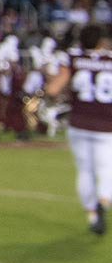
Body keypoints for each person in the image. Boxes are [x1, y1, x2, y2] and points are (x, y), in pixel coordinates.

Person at [45, 24, 112, 236]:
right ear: (101, 41)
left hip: (79, 123)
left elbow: (53, 89)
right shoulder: (109, 59)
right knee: (107, 168)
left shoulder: (72, 58)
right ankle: (104, 201)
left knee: (85, 171)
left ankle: (92, 215)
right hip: (106, 124)